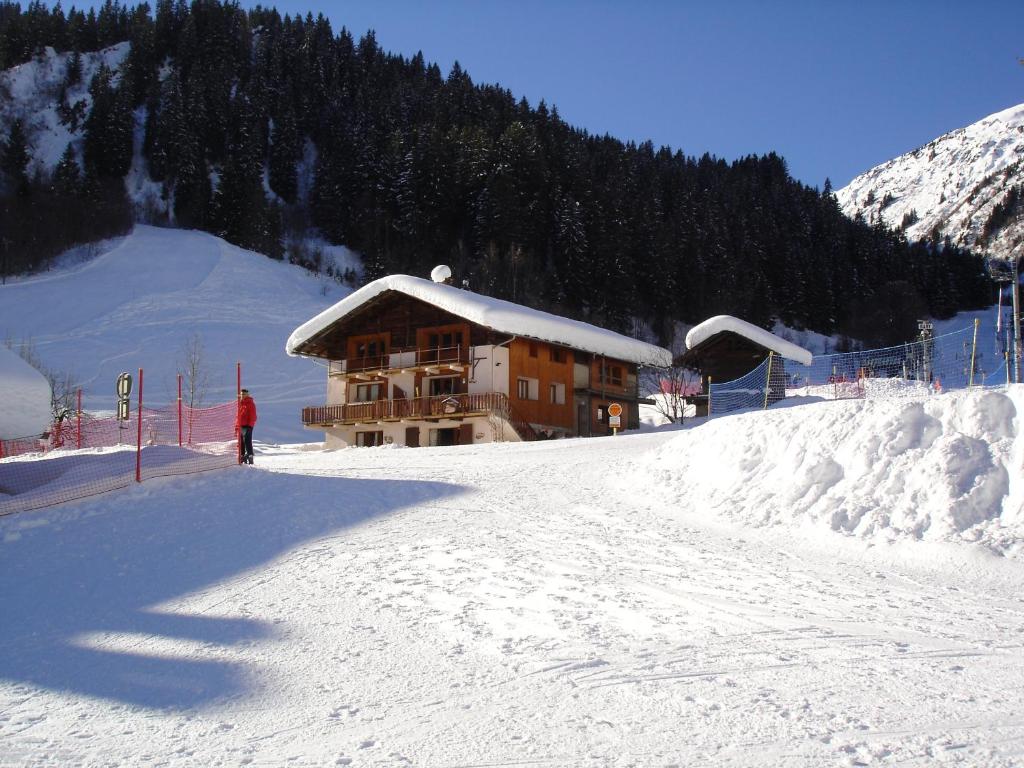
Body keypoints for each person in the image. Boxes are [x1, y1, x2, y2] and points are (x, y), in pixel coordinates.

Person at [236, 388, 257, 464]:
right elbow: (237, 416)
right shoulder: (240, 404)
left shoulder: (250, 404)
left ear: (247, 395)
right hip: (241, 425)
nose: (242, 396)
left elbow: (253, 416)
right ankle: (242, 456)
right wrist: (236, 427)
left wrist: (250, 426)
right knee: (241, 441)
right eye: (241, 394)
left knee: (247, 441)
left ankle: (250, 456)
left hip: (247, 426)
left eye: (244, 394)